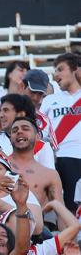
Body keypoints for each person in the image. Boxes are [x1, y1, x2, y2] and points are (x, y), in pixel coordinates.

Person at [40, 53, 81, 212]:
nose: (56, 74)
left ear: (75, 70)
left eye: (60, 69)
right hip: (59, 159)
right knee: (67, 208)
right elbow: (41, 132)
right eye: (54, 71)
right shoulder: (50, 100)